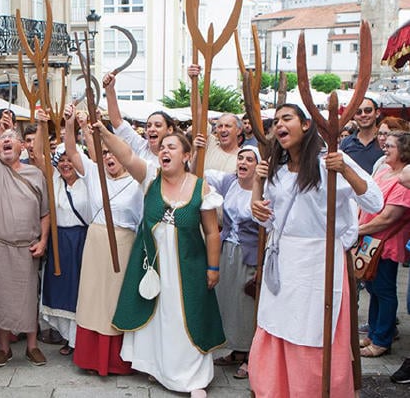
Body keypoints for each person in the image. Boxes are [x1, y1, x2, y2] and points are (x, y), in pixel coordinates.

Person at [249, 104, 382, 397]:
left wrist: (344, 168)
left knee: (314, 332)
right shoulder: (278, 170)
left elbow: (375, 202)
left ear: (306, 124)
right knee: (277, 326)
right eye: (275, 122)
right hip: (282, 261)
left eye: (287, 118)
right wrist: (257, 189)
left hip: (319, 262)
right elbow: (268, 220)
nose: (278, 126)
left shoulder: (330, 162)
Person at [100, 125, 223, 396]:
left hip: (188, 267)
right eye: (162, 147)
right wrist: (103, 131)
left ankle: (193, 379)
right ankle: (160, 370)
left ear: (186, 156)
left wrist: (213, 267)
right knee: (158, 318)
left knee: (183, 319)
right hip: (152, 265)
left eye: (172, 147)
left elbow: (213, 232)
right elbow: (128, 155)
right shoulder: (150, 179)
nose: (164, 150)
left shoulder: (201, 188)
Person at [63, 105, 144, 377]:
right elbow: (73, 151)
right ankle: (90, 357)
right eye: (106, 153)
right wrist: (70, 123)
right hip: (95, 243)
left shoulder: (137, 181)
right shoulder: (95, 174)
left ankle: (116, 360)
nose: (109, 157)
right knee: (92, 299)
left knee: (114, 300)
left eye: (113, 153)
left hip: (123, 244)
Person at [0, 84, 50, 367]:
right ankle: (3, 348)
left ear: (22, 146)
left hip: (27, 247)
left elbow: (45, 213)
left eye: (12, 138)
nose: (6, 141)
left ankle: (31, 346)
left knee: (28, 298)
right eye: (2, 138)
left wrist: (43, 241)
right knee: (1, 297)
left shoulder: (35, 173)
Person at [32, 108, 93, 356]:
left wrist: (74, 126)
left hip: (81, 241)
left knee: (80, 291)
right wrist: (40, 125)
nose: (66, 164)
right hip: (60, 242)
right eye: (62, 161)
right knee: (62, 291)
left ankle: (80, 340)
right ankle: (68, 338)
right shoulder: (55, 179)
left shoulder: (89, 180)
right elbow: (36, 154)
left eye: (70, 160)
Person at [205, 146, 261, 380]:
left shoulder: (263, 189)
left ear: (258, 166)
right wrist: (198, 149)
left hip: (251, 254)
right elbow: (202, 174)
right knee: (229, 302)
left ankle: (251, 356)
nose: (243, 163)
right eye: (241, 158)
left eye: (250, 159)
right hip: (228, 248)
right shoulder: (229, 182)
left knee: (247, 306)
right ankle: (237, 350)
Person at [357, 131, 410, 358]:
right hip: (371, 241)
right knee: (373, 288)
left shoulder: (404, 180)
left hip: (386, 244)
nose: (385, 149)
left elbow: (389, 218)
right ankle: (374, 331)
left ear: (404, 151)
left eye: (390, 146)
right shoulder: (386, 170)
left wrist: (357, 230)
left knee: (384, 290)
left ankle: (382, 340)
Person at [103, 73, 176, 162]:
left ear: (170, 130)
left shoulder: (178, 155)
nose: (152, 129)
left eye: (158, 125)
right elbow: (117, 122)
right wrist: (109, 89)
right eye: (148, 126)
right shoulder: (141, 147)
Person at [340, 97, 384, 174]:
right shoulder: (346, 142)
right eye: (358, 112)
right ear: (354, 116)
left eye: (368, 110)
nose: (363, 115)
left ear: (377, 113)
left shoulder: (386, 140)